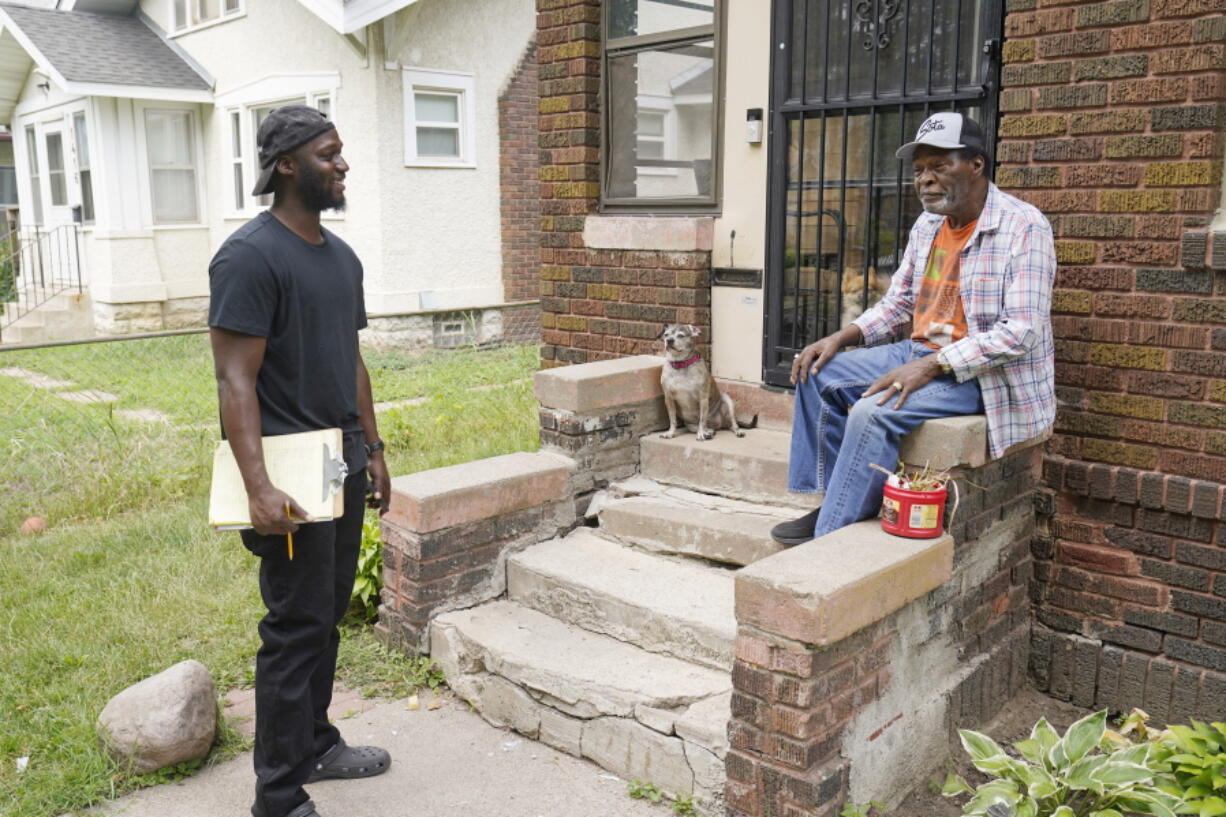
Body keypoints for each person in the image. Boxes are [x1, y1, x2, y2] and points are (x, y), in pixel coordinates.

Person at [208, 105, 393, 817]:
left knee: (326, 615)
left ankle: (317, 739)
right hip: (287, 471)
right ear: (288, 164)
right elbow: (236, 380)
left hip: (340, 460)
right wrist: (257, 486)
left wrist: (372, 450)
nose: (342, 164)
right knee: (292, 627)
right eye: (328, 154)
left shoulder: (342, 258)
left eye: (341, 152)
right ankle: (278, 794)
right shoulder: (249, 257)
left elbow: (350, 361)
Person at [771, 112, 1056, 546]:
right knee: (815, 371)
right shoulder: (928, 226)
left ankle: (830, 539)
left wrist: (929, 368)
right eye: (920, 170)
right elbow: (900, 303)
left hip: (981, 373)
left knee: (873, 410)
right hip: (921, 351)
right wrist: (839, 338)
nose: (925, 179)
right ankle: (835, 501)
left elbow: (1020, 332)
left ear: (976, 165)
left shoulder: (1023, 226)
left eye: (939, 166)